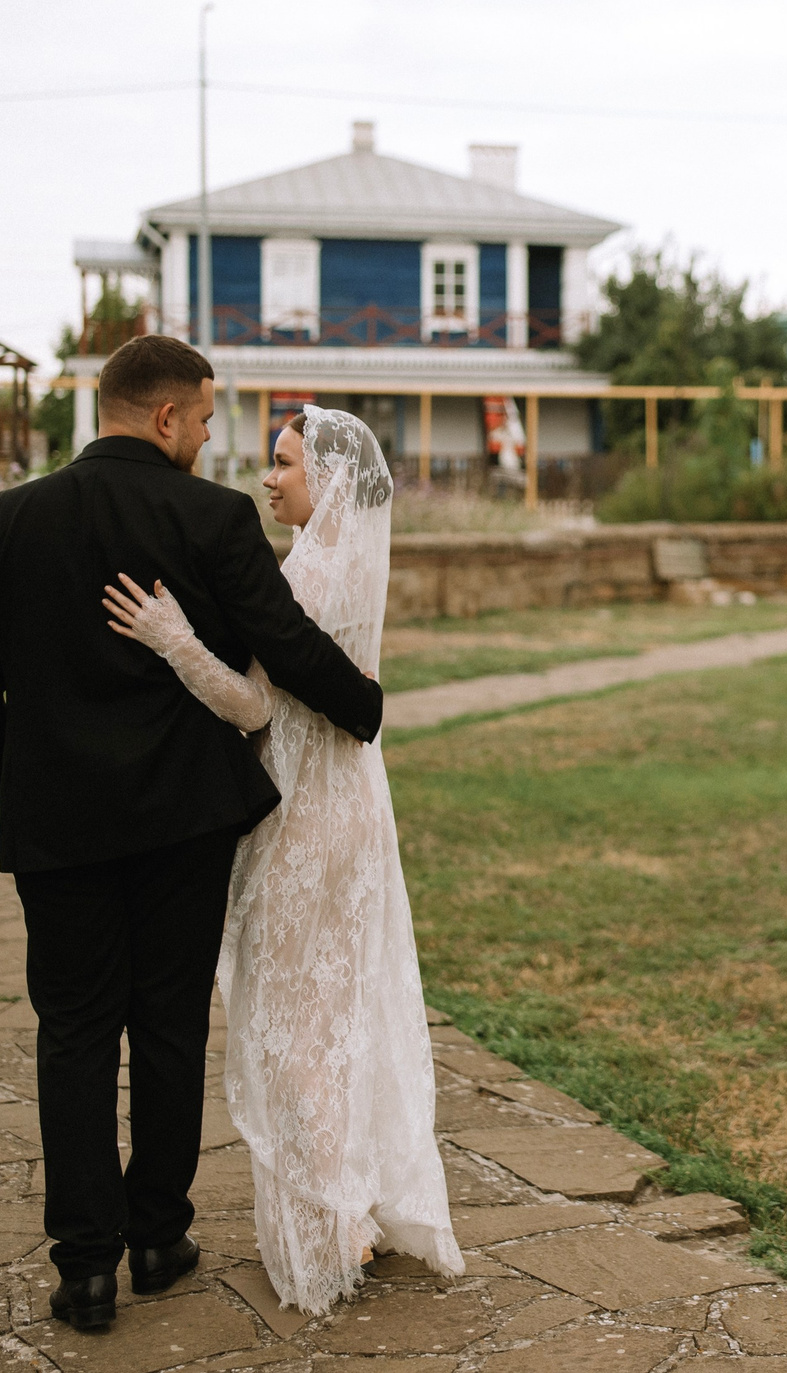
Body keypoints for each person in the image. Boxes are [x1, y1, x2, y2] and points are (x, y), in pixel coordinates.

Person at [0, 336, 386, 1332]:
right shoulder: (210, 517)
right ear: (167, 416)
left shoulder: (3, 520)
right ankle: (156, 1236)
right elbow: (283, 641)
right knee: (169, 1025)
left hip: (58, 827)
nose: (211, 438)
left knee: (74, 1031)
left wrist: (17, 781)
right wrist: (363, 704)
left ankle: (83, 1268)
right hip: (184, 821)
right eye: (207, 418)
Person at [102, 404, 460, 1312]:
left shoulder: (307, 574)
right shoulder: (344, 563)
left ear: (327, 479)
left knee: (294, 1025)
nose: (268, 478)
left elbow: (256, 707)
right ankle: (351, 1205)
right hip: (348, 809)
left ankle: (327, 1224)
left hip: (303, 819)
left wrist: (173, 640)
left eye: (285, 463)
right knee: (334, 1015)